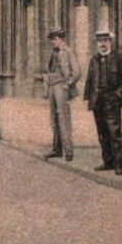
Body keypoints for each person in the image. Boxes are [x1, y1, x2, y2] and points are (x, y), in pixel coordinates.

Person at [84, 30, 122, 175]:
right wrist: (89, 98)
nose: (102, 44)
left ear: (110, 42)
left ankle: (118, 164)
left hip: (112, 101)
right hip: (98, 101)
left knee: (114, 133)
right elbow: (90, 81)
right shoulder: (94, 60)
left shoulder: (119, 59)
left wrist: (117, 95)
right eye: (100, 41)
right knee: (102, 133)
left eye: (105, 40)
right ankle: (107, 162)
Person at [44, 28, 81, 162]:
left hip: (61, 87)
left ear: (61, 39)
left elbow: (77, 72)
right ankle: (56, 149)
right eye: (51, 39)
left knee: (63, 119)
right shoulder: (53, 53)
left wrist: (67, 84)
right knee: (54, 119)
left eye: (55, 39)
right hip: (52, 87)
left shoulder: (68, 52)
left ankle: (68, 151)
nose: (53, 42)